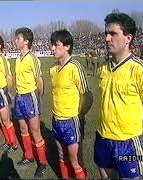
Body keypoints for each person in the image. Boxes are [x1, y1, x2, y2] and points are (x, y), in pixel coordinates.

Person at [95, 13, 143, 179]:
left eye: (113, 33)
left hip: (128, 144)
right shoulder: (102, 68)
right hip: (102, 138)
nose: (107, 38)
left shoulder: (142, 71)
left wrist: (134, 135)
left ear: (128, 38)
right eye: (106, 33)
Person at [49, 29, 93, 179]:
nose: (52, 48)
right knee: (62, 157)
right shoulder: (53, 69)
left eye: (56, 45)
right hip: (56, 119)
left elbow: (87, 95)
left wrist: (80, 115)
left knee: (76, 162)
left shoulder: (75, 67)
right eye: (51, 44)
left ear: (67, 46)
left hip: (71, 121)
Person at [13, 27, 48, 177]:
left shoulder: (32, 58)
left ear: (26, 41)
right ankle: (28, 156)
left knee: (35, 130)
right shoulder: (17, 58)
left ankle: (42, 163)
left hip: (30, 97)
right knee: (22, 128)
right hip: (19, 97)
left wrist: (38, 100)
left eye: (18, 38)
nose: (15, 41)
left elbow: (40, 81)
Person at [0, 35, 18, 153]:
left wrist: (7, 92)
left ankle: (14, 144)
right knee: (0, 119)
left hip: (1, 92)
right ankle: (8, 141)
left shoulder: (2, 59)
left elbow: (9, 77)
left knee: (6, 120)